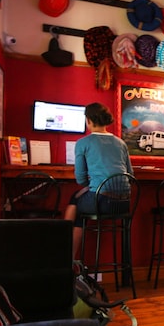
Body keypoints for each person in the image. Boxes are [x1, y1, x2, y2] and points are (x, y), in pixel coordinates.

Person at [64, 102, 133, 258]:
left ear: (88, 120)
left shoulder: (83, 143)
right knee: (81, 200)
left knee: (75, 201)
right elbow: (130, 173)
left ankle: (67, 257)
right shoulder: (121, 143)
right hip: (124, 203)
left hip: (100, 202)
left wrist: (90, 185)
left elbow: (80, 177)